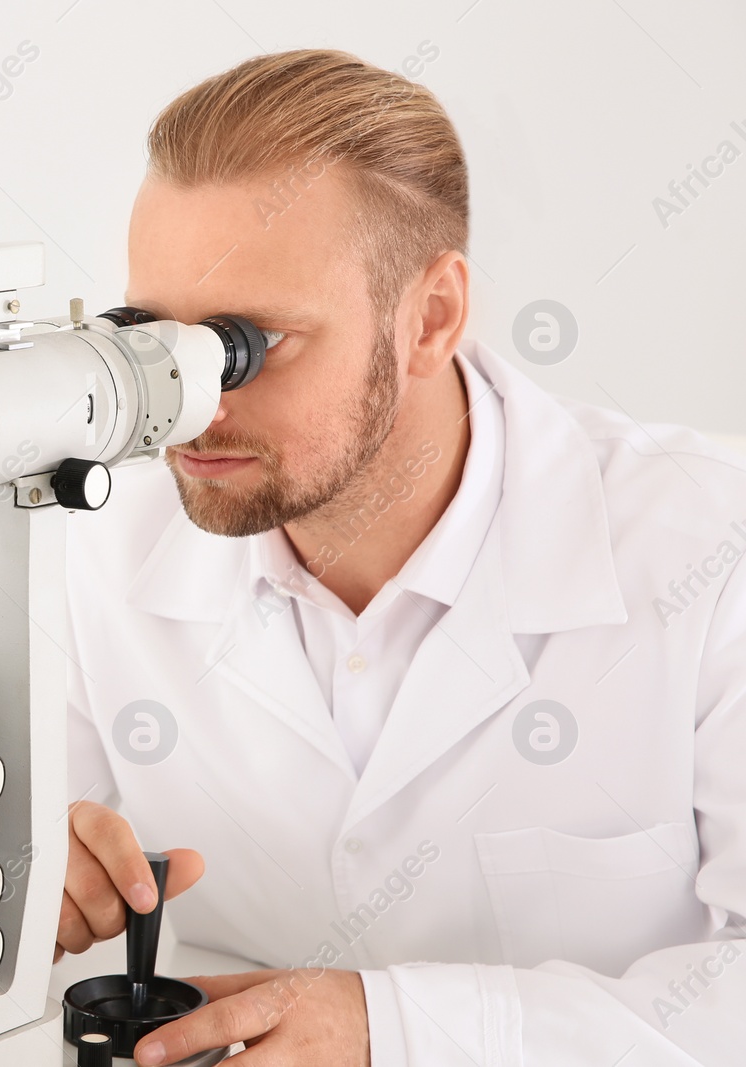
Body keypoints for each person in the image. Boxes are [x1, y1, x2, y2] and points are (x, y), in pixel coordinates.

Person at [61, 49, 746, 1065]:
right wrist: (32, 893)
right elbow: (1, 953)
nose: (190, 403)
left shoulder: (708, 545)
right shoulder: (91, 542)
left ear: (430, 318)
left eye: (244, 343)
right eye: (154, 340)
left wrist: (395, 1027)